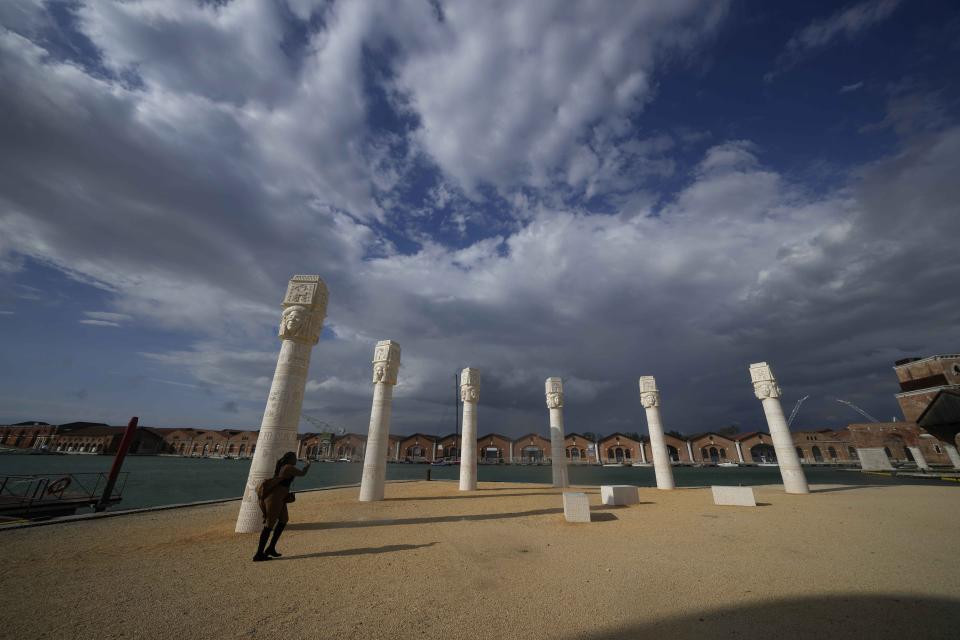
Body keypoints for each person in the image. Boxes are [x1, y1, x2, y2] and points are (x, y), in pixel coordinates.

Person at [253, 452, 311, 562]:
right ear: (290, 459)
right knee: (269, 525)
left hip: (280, 498)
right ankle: (259, 554)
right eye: (294, 458)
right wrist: (308, 464)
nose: (296, 460)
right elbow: (302, 473)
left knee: (284, 520)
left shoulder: (283, 466)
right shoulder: (288, 467)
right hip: (274, 498)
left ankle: (271, 548)